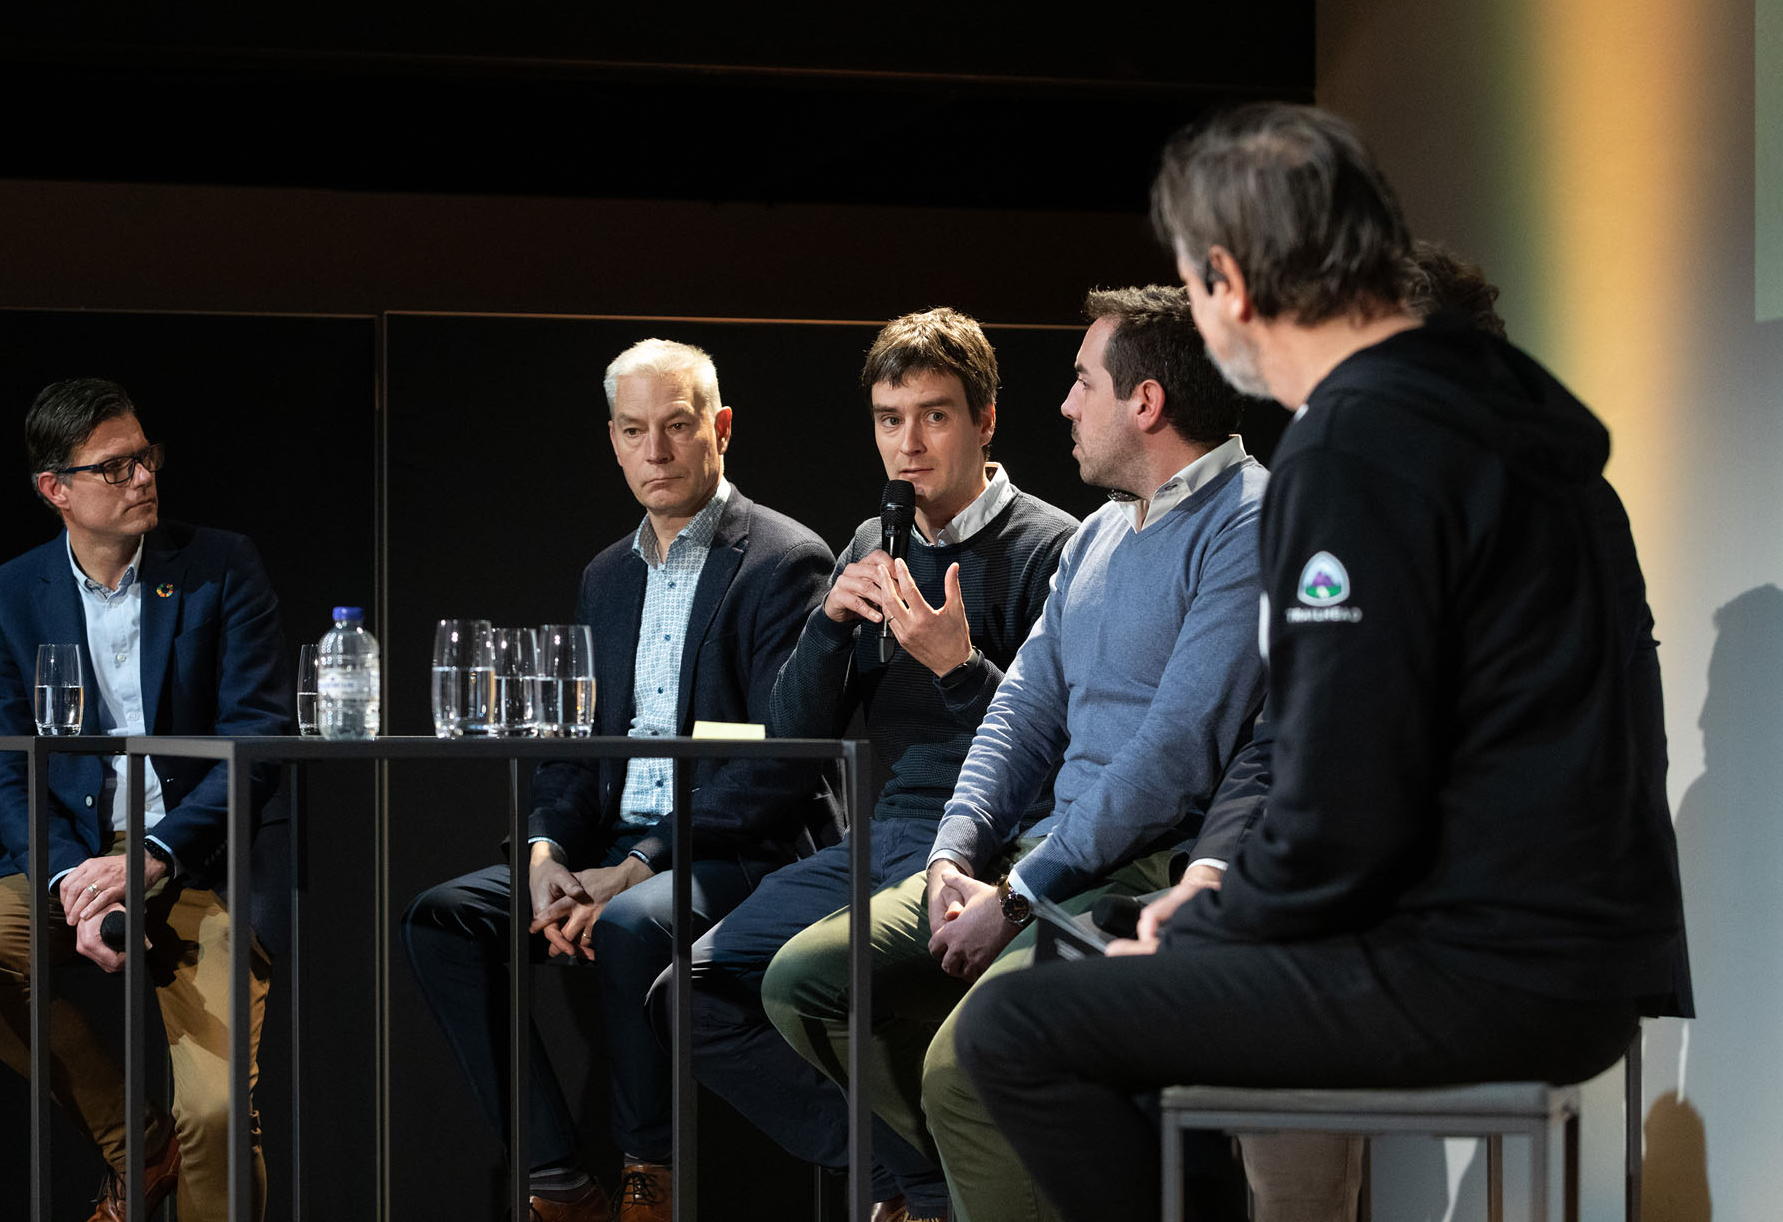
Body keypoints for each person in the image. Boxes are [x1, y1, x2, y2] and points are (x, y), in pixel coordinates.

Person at [954, 103, 1690, 1222]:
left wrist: (1214, 918)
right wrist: (1221, 898)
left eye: (1197, 290)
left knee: (1020, 1029)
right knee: (1097, 966)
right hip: (1588, 961)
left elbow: (1348, 786)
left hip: (1480, 966)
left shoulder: (1356, 445)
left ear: (1231, 281)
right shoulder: (1523, 432)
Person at [764, 286, 1267, 1222]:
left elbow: (1173, 758)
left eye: (1082, 383)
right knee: (807, 985)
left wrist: (1020, 893)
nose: (1067, 404)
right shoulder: (1108, 533)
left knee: (969, 1074)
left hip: (1140, 865)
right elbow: (1024, 712)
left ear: (1146, 402)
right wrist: (958, 852)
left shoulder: (1247, 523)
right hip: (1032, 851)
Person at [402, 338, 834, 1222]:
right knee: (442, 919)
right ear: (612, 440)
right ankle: (558, 1179)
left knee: (637, 923)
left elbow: (774, 770)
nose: (656, 452)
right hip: (611, 846)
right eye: (634, 432)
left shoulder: (786, 561)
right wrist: (546, 851)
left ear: (719, 429)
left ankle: (651, 1175)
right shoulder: (606, 576)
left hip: (739, 846)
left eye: (677, 428)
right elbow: (575, 748)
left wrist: (636, 864)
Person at [668, 308, 1078, 1222]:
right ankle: (915, 1181)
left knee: (842, 990)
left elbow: (1063, 749)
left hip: (997, 838)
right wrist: (826, 628)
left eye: (934, 415)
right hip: (891, 831)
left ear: (986, 422)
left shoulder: (1056, 547)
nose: (909, 443)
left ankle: (946, 1187)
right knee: (692, 992)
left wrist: (955, 663)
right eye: (891, 419)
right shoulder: (871, 542)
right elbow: (794, 735)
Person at [0, 377, 294, 1222]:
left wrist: (153, 853)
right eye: (116, 466)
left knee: (213, 1112)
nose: (143, 479)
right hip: (72, 853)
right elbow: (3, 767)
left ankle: (180, 1149)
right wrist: (68, 881)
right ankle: (137, 1141)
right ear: (56, 490)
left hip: (201, 852)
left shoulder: (218, 566)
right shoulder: (7, 595)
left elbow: (258, 738)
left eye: (146, 457)